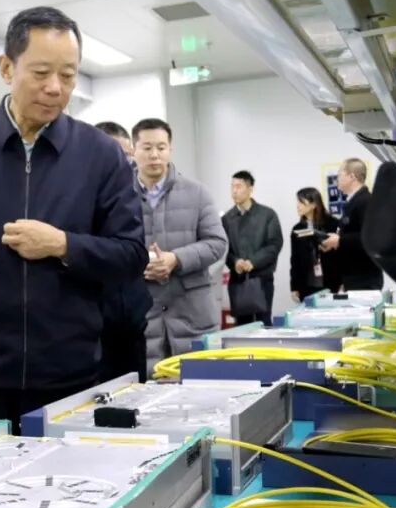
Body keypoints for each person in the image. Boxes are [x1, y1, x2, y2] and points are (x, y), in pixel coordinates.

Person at [0, 6, 147, 434]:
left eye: (68, 75)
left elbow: (131, 255)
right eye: (41, 73)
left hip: (71, 377)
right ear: (6, 67)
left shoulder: (100, 154)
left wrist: (63, 244)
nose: (55, 88)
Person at [132, 118, 228, 372]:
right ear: (134, 150)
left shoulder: (197, 193)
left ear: (170, 149)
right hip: (141, 314)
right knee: (146, 388)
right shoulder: (118, 195)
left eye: (161, 147)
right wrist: (137, 263)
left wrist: (176, 259)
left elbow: (217, 243)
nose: (154, 155)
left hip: (191, 312)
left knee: (199, 382)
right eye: (147, 147)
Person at [95, 121, 152, 382]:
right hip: (93, 326)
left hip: (131, 319)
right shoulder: (77, 199)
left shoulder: (134, 196)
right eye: (118, 156)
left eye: (129, 156)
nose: (126, 165)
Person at [222, 170, 283, 325]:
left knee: (264, 322)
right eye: (232, 186)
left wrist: (253, 262)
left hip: (262, 279)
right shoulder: (227, 219)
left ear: (250, 189)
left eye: (239, 186)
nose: (234, 191)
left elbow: (274, 244)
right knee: (242, 326)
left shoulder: (267, 215)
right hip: (238, 281)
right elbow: (223, 249)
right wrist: (235, 262)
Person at [320, 158, 383, 290]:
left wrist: (340, 240)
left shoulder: (365, 201)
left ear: (352, 176)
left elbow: (371, 238)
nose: (337, 179)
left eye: (340, 174)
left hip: (364, 277)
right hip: (354, 276)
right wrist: (334, 242)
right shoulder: (354, 202)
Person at [289, 187, 341, 301]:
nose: (298, 206)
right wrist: (294, 287)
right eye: (297, 202)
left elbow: (341, 256)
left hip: (331, 281)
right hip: (306, 284)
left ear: (313, 204)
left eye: (301, 202)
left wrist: (343, 282)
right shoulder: (297, 229)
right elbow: (295, 259)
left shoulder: (333, 224)